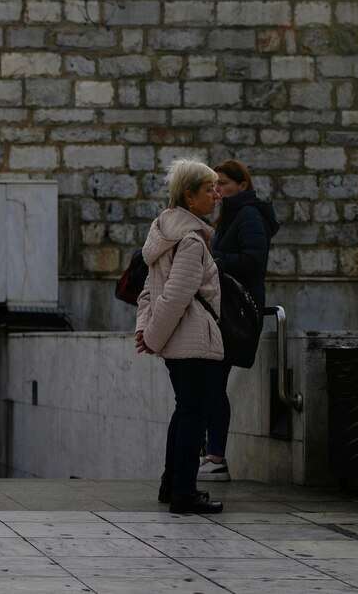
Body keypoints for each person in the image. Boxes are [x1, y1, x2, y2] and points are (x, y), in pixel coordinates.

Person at [134, 158, 225, 515]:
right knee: (194, 414)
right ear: (189, 197)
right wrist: (152, 338)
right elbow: (174, 296)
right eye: (208, 190)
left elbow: (148, 292)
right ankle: (184, 493)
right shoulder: (190, 241)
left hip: (177, 340)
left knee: (185, 411)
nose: (216, 196)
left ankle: (173, 484)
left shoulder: (162, 233)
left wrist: (146, 330)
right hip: (191, 340)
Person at [200, 158, 280, 484]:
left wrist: (214, 260)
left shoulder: (248, 215)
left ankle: (216, 457)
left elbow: (253, 261)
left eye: (223, 184)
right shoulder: (231, 216)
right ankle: (211, 454)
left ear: (242, 185)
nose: (218, 190)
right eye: (214, 185)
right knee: (210, 382)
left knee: (214, 382)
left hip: (238, 312)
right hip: (226, 308)